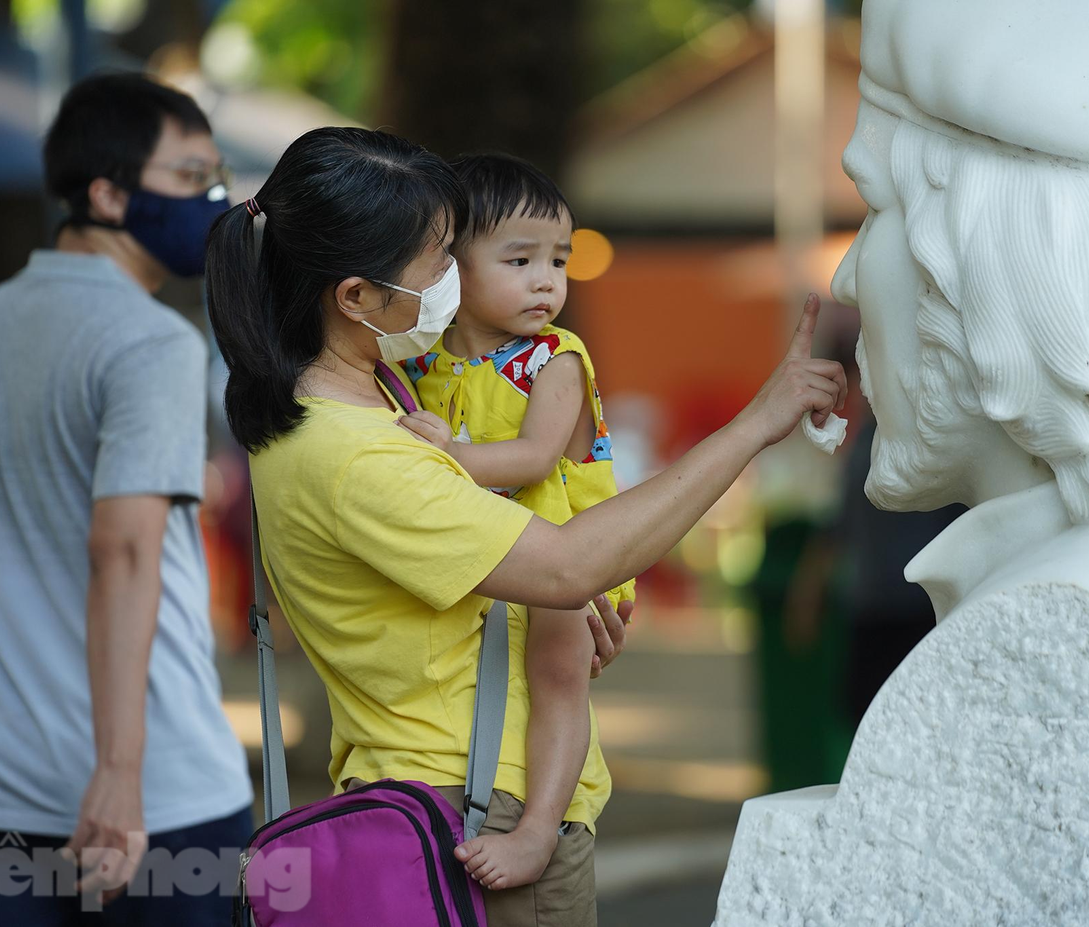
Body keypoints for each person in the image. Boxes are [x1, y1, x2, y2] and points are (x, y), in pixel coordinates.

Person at [205, 126, 845, 927]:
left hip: (428, 784)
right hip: (477, 811)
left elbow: (531, 563)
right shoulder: (356, 450)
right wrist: (758, 423)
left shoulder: (383, 394)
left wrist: (564, 604)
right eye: (439, 258)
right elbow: (566, 563)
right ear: (357, 296)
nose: (453, 275)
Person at [0, 73, 253, 924]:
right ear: (105, 192)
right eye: (188, 177)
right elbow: (125, 547)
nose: (212, 199)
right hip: (154, 795)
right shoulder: (152, 342)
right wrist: (119, 769)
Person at [393, 152, 633, 890]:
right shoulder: (420, 361)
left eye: (558, 260)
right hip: (491, 556)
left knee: (558, 680)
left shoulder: (555, 357)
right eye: (521, 258)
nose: (547, 280)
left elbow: (532, 458)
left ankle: (537, 831)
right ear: (449, 268)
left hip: (568, 552)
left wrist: (447, 453)